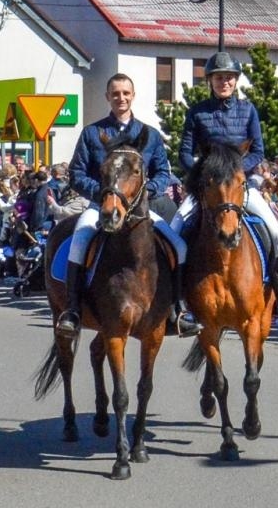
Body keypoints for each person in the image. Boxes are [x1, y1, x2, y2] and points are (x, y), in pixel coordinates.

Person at [171, 52, 278, 326]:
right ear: (210, 80)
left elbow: (258, 151)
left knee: (277, 234)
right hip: (208, 187)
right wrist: (204, 172)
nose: (224, 82)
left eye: (229, 78)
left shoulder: (248, 110)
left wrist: (238, 171)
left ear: (235, 81)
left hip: (240, 185)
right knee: (174, 229)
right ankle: (176, 303)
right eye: (219, 78)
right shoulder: (197, 112)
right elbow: (184, 153)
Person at [56, 74, 192, 337]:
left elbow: (163, 171)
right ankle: (72, 309)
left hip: (139, 208)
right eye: (116, 93)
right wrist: (106, 194)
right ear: (108, 96)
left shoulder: (149, 135)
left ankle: (178, 309)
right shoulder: (92, 133)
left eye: (126, 93)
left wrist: (145, 191)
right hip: (101, 206)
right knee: (79, 241)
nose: (121, 98)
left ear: (133, 96)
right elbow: (77, 173)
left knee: (179, 245)